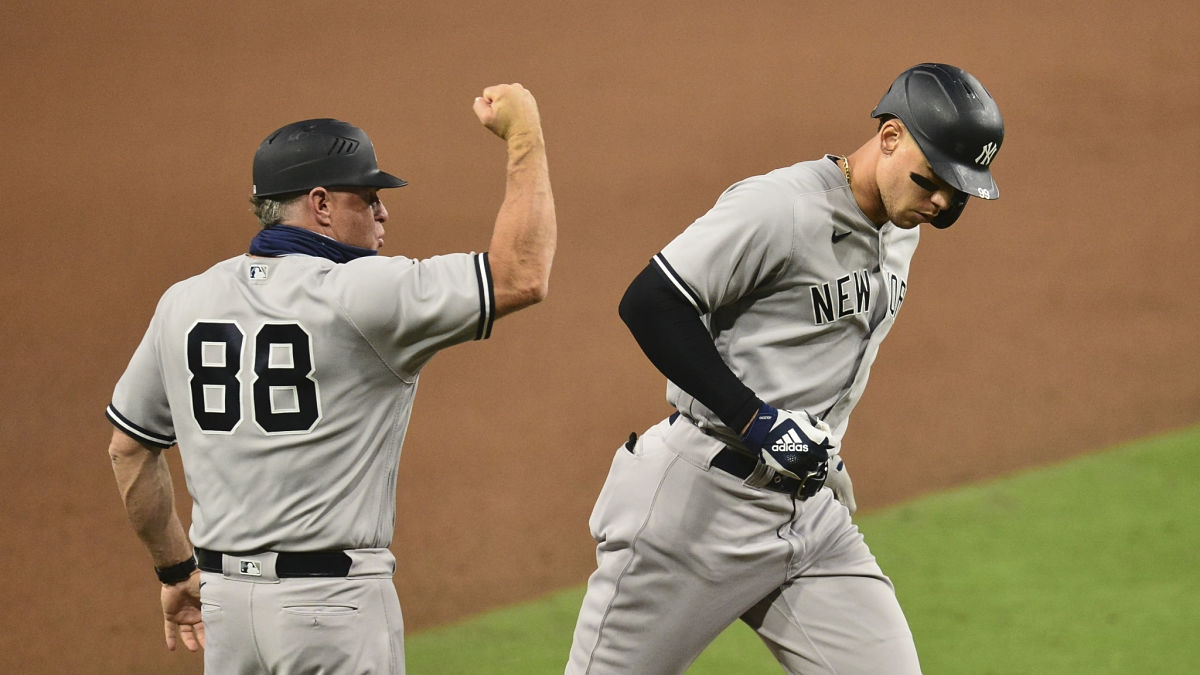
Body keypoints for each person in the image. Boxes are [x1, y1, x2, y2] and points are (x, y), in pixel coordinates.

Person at [566, 63, 1004, 674]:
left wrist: (820, 442)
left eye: (957, 193)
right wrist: (760, 422)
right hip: (699, 506)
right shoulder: (781, 208)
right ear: (889, 137)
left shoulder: (901, 229)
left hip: (808, 514)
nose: (940, 201)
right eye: (932, 180)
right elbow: (650, 301)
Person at [106, 83, 555, 673]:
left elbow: (130, 448)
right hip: (330, 612)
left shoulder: (183, 301)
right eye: (368, 198)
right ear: (320, 205)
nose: (383, 212)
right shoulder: (361, 292)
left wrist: (175, 571)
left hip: (226, 614)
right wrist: (525, 134)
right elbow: (521, 273)